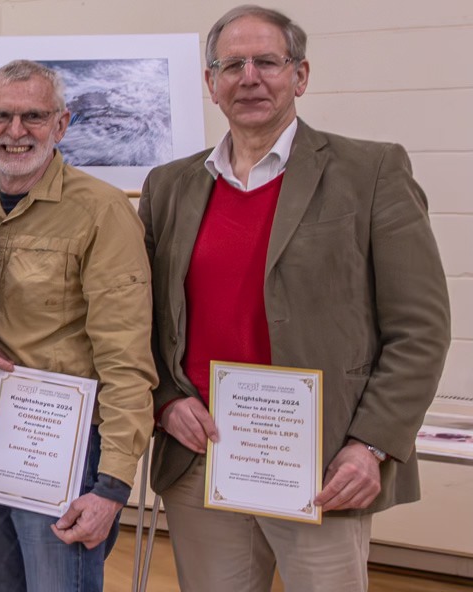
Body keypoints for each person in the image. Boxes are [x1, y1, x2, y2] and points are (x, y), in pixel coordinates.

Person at [139, 6, 450, 591]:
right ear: (210, 83)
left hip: (324, 463)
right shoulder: (170, 186)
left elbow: (421, 329)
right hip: (201, 456)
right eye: (231, 65)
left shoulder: (371, 171)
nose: (249, 77)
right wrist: (165, 399)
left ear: (300, 76)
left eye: (268, 62)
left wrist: (372, 445)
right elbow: (143, 319)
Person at [0, 60, 157, 591]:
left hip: (68, 445)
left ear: (62, 124)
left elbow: (126, 354)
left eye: (34, 116)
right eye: (1, 115)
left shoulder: (102, 212)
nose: (16, 131)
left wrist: (113, 485)